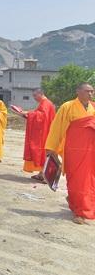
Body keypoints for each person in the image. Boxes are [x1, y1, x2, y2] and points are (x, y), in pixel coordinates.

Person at [45, 82, 95, 224]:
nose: (90, 94)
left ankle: (84, 206)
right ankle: (79, 211)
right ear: (78, 92)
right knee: (77, 181)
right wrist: (51, 148)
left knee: (89, 181)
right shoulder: (67, 107)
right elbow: (57, 128)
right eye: (87, 91)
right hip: (74, 150)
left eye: (92, 91)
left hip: (91, 151)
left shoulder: (93, 107)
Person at [11, 88, 55, 181]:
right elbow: (38, 115)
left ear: (41, 93)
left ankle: (44, 175)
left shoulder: (46, 103)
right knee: (43, 152)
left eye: (35, 95)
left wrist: (28, 113)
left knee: (42, 152)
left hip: (44, 132)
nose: (34, 98)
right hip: (43, 131)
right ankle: (41, 174)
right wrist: (24, 114)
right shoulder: (44, 103)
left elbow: (42, 117)